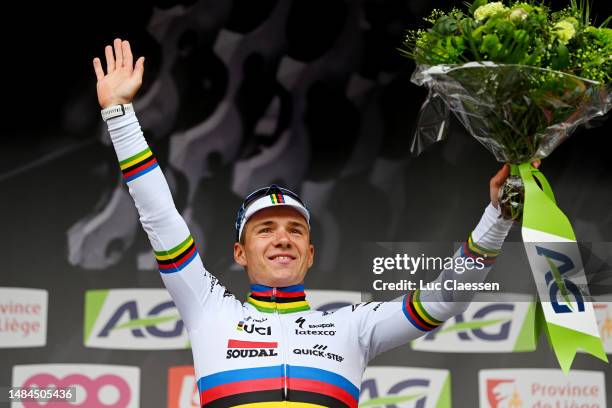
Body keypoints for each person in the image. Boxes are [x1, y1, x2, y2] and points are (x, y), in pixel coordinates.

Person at [94, 38, 519, 408]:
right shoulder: (209, 310)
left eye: (295, 230)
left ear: (311, 253)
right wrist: (120, 116)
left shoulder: (352, 327)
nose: (282, 237)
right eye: (265, 229)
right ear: (239, 253)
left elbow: (444, 299)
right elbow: (160, 217)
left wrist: (497, 219)